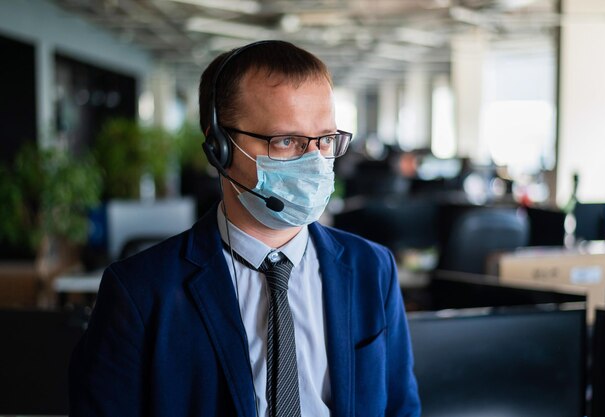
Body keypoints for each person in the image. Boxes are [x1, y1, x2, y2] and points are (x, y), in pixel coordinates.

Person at [69, 40, 421, 417]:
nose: (316, 161)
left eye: (326, 140)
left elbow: (400, 407)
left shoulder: (372, 267)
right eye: (287, 141)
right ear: (218, 148)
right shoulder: (139, 291)